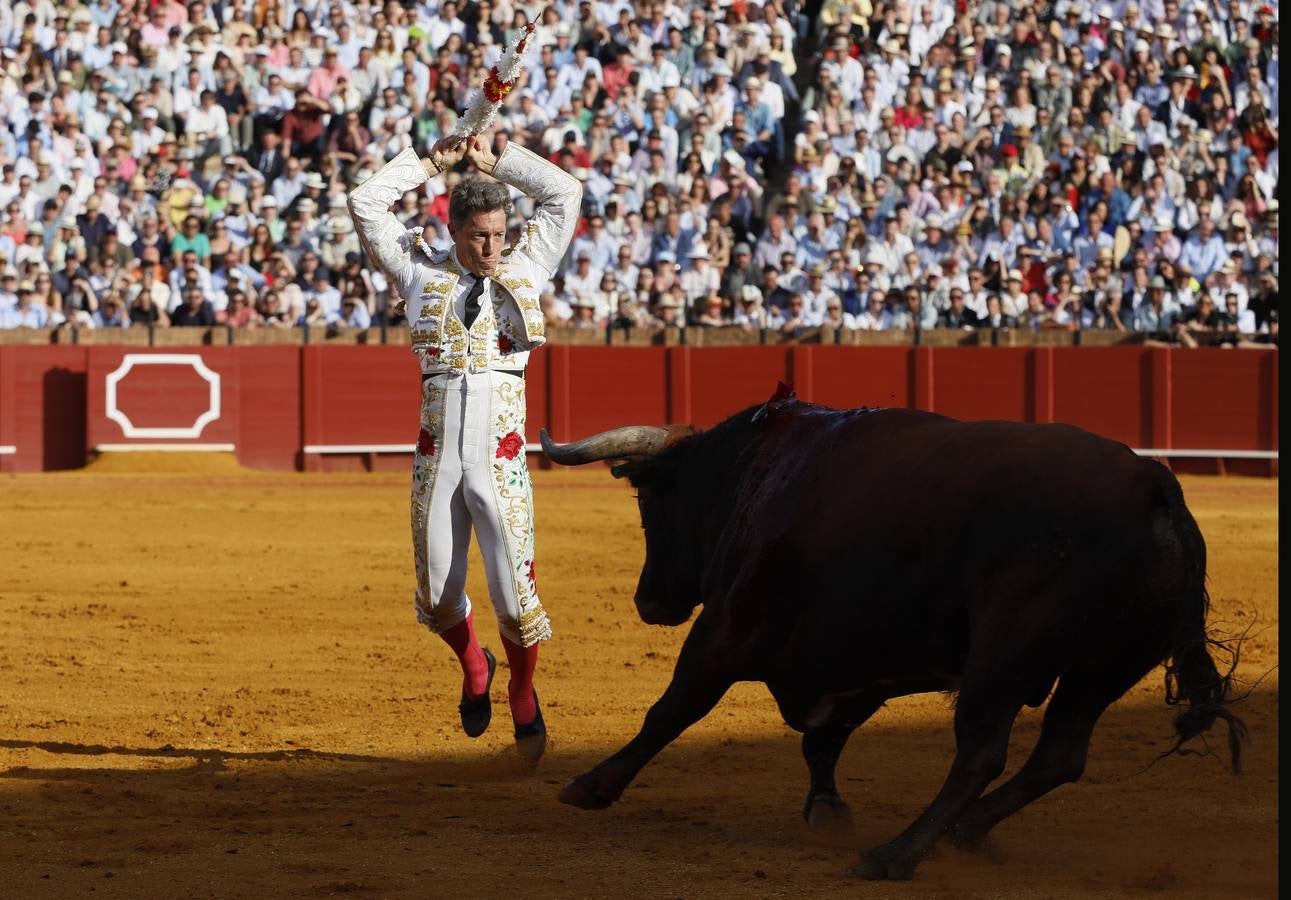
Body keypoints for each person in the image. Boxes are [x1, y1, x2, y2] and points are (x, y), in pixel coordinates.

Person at [348, 133, 579, 763]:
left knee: (515, 597)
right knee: (437, 594)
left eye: (501, 233)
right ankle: (476, 666)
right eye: (480, 236)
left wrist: (499, 161)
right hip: (438, 459)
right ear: (454, 231)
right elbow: (366, 203)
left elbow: (565, 191)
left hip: (502, 462)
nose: (493, 247)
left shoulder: (528, 266)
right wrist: (431, 163)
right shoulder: (418, 270)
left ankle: (524, 691)